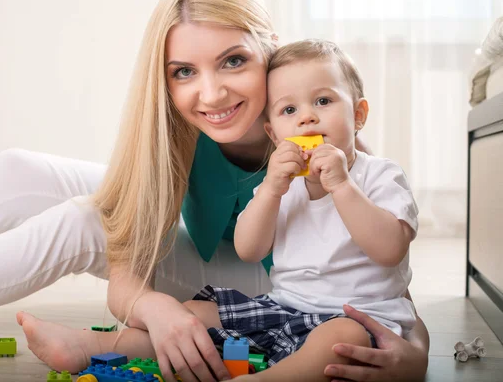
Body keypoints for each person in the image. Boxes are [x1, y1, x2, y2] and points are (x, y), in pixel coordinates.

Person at [0, 0, 428, 381]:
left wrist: (417, 352)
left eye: (234, 61)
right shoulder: (176, 127)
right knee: (24, 171)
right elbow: (128, 256)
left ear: (269, 48)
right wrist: (156, 310)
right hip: (231, 255)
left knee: (84, 221)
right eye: (184, 72)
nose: (212, 94)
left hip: (290, 293)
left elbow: (378, 273)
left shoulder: (315, 124)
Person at [179, 39, 418, 381]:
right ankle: (101, 345)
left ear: (359, 115)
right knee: (194, 313)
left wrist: (342, 186)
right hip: (284, 309)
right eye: (289, 110)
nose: (307, 117)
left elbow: (390, 250)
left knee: (339, 341)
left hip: (355, 317)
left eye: (323, 101)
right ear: (273, 135)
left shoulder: (381, 175)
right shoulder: (280, 184)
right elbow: (249, 250)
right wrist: (271, 191)